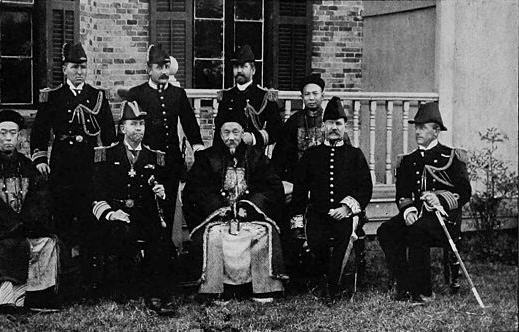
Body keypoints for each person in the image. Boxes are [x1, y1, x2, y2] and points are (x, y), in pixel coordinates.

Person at [29, 42, 117, 298]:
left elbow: (110, 135)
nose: (80, 72)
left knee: (91, 223)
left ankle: (90, 283)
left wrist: (106, 165)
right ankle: (65, 282)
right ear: (65, 68)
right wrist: (40, 159)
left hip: (89, 169)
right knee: (64, 224)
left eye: (83, 67)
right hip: (63, 169)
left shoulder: (97, 97)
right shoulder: (53, 97)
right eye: (74, 67)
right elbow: (40, 133)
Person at [182, 115, 288, 303]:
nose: (231, 137)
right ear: (219, 134)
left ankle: (263, 288)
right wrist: (220, 207)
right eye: (226, 132)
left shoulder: (257, 157)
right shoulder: (206, 158)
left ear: (243, 134)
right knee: (214, 236)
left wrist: (249, 206)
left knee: (263, 233)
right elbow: (195, 191)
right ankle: (215, 289)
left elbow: (272, 187)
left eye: (236, 132)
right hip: (217, 217)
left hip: (250, 215)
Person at [0, 110, 58, 314]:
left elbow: (39, 199)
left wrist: (27, 223)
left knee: (49, 243)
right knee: (10, 244)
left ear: (19, 136)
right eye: (3, 133)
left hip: (22, 228)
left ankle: (38, 297)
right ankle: (4, 300)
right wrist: (10, 224)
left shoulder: (27, 165)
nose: (8, 138)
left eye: (12, 133)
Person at [377, 102, 471, 305]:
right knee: (386, 230)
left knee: (417, 231)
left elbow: (464, 192)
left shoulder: (451, 157)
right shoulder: (408, 161)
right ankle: (404, 285)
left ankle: (424, 292)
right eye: (416, 127)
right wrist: (408, 210)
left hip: (443, 220)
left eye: (423, 127)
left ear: (436, 131)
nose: (417, 131)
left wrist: (440, 199)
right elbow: (402, 192)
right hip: (417, 214)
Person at [90, 101, 176, 316]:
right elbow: (96, 193)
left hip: (143, 215)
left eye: (141, 124)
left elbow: (161, 196)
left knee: (158, 236)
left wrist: (161, 193)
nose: (138, 128)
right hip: (115, 215)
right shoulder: (106, 155)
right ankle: (123, 287)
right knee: (122, 233)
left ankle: (155, 293)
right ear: (122, 129)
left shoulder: (155, 157)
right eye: (133, 124)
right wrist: (110, 214)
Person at [289, 97, 373, 302]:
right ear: (323, 126)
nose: (334, 128)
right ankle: (325, 277)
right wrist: (297, 222)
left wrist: (347, 208)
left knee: (344, 237)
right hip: (319, 214)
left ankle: (333, 286)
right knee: (316, 241)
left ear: (345, 127)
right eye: (330, 123)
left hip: (347, 215)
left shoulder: (355, 155)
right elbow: (299, 192)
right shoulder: (311, 155)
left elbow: (365, 188)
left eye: (338, 124)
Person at [126, 44, 204, 236]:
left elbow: (189, 123)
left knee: (168, 207)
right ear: (149, 69)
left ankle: (166, 254)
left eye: (166, 67)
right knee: (146, 204)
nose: (163, 72)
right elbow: (129, 129)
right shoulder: (137, 93)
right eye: (159, 67)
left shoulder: (178, 94)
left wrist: (198, 146)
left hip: (171, 161)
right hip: (146, 160)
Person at [213, 44, 281, 149]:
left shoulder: (265, 97)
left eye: (244, 66)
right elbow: (219, 131)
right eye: (236, 67)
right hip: (227, 155)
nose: (239, 71)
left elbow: (276, 130)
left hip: (253, 156)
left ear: (253, 70)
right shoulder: (226, 96)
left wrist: (253, 138)